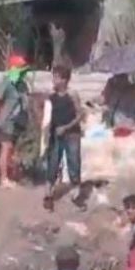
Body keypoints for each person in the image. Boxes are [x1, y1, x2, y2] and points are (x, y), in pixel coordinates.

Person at [43, 65, 85, 211]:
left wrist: (66, 127)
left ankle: (76, 194)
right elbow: (45, 112)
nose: (54, 80)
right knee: (53, 161)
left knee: (73, 161)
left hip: (72, 133)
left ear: (65, 80)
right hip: (55, 133)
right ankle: (48, 193)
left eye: (57, 77)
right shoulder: (51, 95)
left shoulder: (72, 94)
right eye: (53, 76)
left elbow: (80, 115)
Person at [0, 54, 31, 189]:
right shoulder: (6, 83)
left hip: (18, 121)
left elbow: (26, 101)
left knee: (11, 150)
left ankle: (9, 176)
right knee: (6, 148)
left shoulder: (22, 85)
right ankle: (4, 179)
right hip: (6, 120)